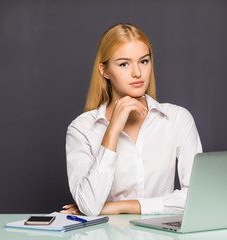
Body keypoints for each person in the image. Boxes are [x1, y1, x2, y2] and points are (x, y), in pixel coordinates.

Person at [61, 23, 202, 216]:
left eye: (143, 61)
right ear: (104, 70)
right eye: (124, 64)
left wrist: (119, 207)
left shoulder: (177, 119)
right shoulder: (81, 129)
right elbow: (90, 206)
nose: (137, 73)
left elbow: (197, 197)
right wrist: (112, 131)